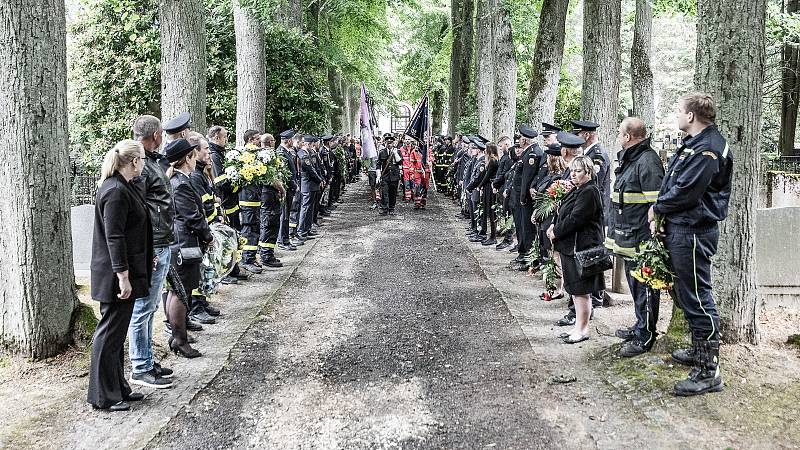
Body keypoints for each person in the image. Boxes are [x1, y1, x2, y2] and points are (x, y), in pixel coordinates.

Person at [650, 93, 732, 396]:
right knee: (687, 294)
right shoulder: (694, 143)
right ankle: (699, 351)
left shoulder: (709, 147)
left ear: (691, 116)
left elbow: (687, 191)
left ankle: (709, 370)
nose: (676, 115)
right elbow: (675, 181)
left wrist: (658, 208)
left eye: (679, 111)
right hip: (682, 227)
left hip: (695, 231)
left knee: (698, 297)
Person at [88, 140, 153, 411]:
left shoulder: (124, 186)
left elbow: (133, 229)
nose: (145, 162)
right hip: (115, 276)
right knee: (109, 334)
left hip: (125, 271)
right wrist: (123, 276)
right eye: (142, 158)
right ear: (134, 161)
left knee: (116, 335)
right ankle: (104, 395)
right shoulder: (115, 190)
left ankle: (118, 388)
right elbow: (114, 237)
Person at [607, 117, 665, 357]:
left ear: (628, 137)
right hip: (628, 236)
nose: (619, 137)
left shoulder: (647, 161)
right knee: (636, 287)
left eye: (620, 133)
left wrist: (654, 239)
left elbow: (657, 204)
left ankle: (646, 336)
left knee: (646, 287)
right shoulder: (632, 159)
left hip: (641, 240)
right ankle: (640, 325)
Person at [127, 115, 174, 390]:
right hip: (153, 242)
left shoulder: (152, 160)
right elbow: (139, 206)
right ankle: (140, 366)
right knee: (143, 307)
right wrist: (146, 247)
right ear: (156, 134)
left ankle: (147, 359)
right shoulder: (140, 164)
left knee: (151, 305)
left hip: (160, 238)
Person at [547, 155, 605, 344]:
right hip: (571, 247)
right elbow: (564, 212)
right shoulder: (578, 189)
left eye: (578, 171)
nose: (573, 174)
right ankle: (578, 326)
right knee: (576, 290)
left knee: (581, 291)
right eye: (572, 170)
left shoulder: (589, 191)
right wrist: (553, 226)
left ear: (588, 172)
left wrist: (556, 231)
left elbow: (576, 219)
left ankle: (582, 329)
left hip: (581, 248)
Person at [165, 138, 212, 358]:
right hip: (184, 244)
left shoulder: (180, 180)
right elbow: (192, 216)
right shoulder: (181, 183)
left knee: (180, 292)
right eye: (194, 156)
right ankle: (180, 340)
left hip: (183, 243)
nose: (197, 161)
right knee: (181, 293)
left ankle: (178, 336)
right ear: (187, 158)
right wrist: (208, 236)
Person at [186, 132, 220, 325]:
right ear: (195, 151)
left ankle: (202, 301)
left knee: (204, 266)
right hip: (199, 229)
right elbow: (201, 205)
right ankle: (196, 306)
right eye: (206, 149)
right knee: (199, 268)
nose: (209, 152)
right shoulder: (194, 176)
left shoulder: (201, 172)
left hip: (208, 225)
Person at [208, 125, 248, 284]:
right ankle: (226, 273)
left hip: (231, 201)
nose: (227, 139)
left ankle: (234, 268)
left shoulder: (221, 153)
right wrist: (239, 184)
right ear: (217, 137)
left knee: (234, 236)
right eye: (225, 136)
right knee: (226, 239)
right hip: (225, 201)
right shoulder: (214, 155)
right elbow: (221, 183)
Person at [238, 129, 264, 274]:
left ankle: (251, 257)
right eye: (257, 139)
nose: (259, 141)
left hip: (255, 197)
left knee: (255, 229)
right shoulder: (244, 156)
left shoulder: (256, 154)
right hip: (247, 199)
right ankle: (246, 259)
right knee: (249, 230)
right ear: (249, 140)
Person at [471, 142, 500, 245]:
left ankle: (493, 236)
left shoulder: (492, 161)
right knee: (488, 211)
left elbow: (486, 176)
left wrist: (479, 186)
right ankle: (490, 235)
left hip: (489, 188)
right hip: (488, 187)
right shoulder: (493, 160)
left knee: (491, 212)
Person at [276, 129, 300, 251]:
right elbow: (285, 173)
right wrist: (293, 185)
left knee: (286, 215)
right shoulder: (281, 152)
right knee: (284, 216)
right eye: (291, 140)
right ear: (289, 140)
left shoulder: (286, 151)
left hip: (289, 188)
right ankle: (282, 240)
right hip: (285, 188)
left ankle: (285, 239)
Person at [297, 135, 325, 237]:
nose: (312, 146)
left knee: (310, 208)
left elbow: (315, 167)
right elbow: (310, 170)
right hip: (307, 185)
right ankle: (301, 231)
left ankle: (307, 229)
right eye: (311, 144)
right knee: (305, 208)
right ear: (307, 144)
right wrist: (319, 179)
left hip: (312, 185)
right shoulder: (303, 154)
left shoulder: (308, 153)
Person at [378, 135, 401, 215]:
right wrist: (378, 175)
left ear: (393, 143)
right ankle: (385, 208)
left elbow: (400, 162)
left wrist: (395, 154)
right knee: (384, 193)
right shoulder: (382, 152)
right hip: (385, 175)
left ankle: (391, 208)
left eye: (391, 143)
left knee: (393, 193)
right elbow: (379, 164)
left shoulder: (397, 151)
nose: (389, 144)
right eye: (388, 143)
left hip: (394, 176)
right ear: (385, 143)